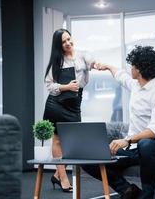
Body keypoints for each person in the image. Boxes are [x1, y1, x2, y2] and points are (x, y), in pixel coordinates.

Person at [83, 45, 155, 199]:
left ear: (139, 69)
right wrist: (107, 67)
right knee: (89, 157)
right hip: (134, 149)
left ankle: (148, 194)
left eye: (132, 65)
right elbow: (120, 75)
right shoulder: (136, 85)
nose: (131, 68)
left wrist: (126, 140)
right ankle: (127, 190)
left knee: (146, 143)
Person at [43, 29, 100, 193]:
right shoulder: (56, 61)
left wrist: (97, 65)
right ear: (58, 45)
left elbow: (92, 62)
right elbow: (49, 85)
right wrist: (66, 87)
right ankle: (64, 179)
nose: (68, 43)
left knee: (73, 143)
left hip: (74, 104)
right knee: (57, 141)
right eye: (63, 42)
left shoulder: (82, 55)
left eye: (69, 39)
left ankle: (56, 174)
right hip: (56, 104)